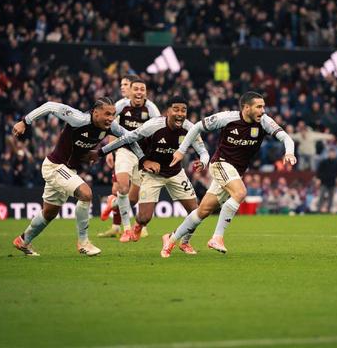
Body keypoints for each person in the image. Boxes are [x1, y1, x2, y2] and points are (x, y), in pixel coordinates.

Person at [162, 91, 296, 257]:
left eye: (263, 107)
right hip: (220, 164)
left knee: (203, 210)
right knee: (240, 192)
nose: (262, 111)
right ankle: (217, 238)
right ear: (246, 108)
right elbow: (196, 127)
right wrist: (182, 150)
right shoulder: (227, 118)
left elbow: (286, 138)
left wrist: (289, 152)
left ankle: (170, 239)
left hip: (235, 172)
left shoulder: (264, 121)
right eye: (258, 107)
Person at [11, 97, 141, 256]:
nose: (110, 118)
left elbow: (130, 138)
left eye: (113, 114)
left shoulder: (111, 126)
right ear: (95, 112)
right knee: (86, 194)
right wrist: (25, 121)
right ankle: (83, 243)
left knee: (49, 213)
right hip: (55, 166)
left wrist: (140, 158)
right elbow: (50, 106)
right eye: (107, 114)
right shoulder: (78, 118)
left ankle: (23, 240)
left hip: (68, 171)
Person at [94, 96, 210, 253]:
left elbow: (203, 152)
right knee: (144, 218)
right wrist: (101, 152)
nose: (180, 113)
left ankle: (184, 242)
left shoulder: (190, 128)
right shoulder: (153, 126)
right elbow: (128, 138)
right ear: (167, 111)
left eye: (183, 110)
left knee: (196, 212)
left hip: (176, 173)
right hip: (152, 174)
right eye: (176, 109)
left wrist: (203, 162)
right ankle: (138, 225)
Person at [99, 77, 160, 242]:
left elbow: (158, 131)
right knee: (123, 187)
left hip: (142, 156)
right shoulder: (120, 106)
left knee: (133, 199)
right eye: (136, 89)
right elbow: (110, 125)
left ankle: (113, 203)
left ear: (146, 92)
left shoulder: (152, 109)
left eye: (142, 89)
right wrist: (109, 151)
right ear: (130, 92)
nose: (139, 92)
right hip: (125, 151)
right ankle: (126, 229)